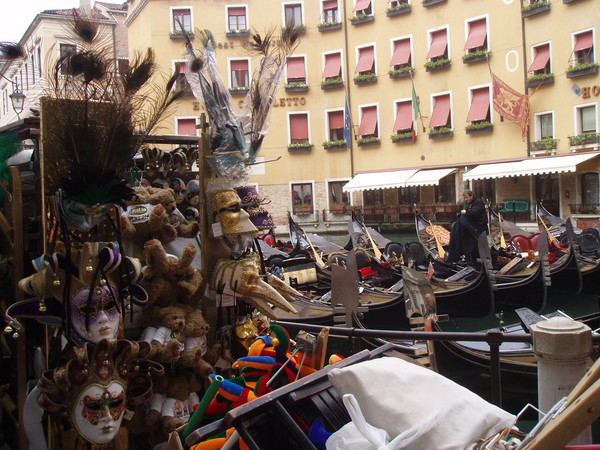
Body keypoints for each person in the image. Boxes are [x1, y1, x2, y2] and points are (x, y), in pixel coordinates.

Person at [447, 190, 488, 263]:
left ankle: (481, 259)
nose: (466, 200)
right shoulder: (470, 203)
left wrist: (466, 212)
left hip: (480, 227)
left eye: (467, 197)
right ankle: (470, 258)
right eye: (465, 198)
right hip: (474, 227)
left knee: (479, 244)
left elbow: (474, 213)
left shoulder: (478, 202)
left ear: (471, 196)